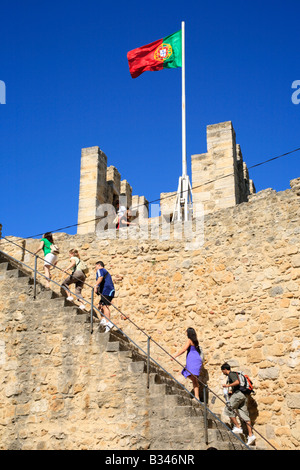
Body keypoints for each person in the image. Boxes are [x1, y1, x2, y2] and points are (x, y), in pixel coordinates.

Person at [221, 363, 256, 446]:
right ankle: (250, 435)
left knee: (228, 408)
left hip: (239, 394)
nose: (222, 372)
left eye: (222, 370)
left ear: (225, 369)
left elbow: (237, 382)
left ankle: (237, 427)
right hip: (244, 396)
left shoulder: (231, 374)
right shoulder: (235, 374)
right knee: (245, 415)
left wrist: (227, 385)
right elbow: (238, 385)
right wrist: (231, 392)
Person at [172, 327, 203, 401]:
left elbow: (183, 349)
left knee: (187, 374)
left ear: (188, 333)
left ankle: (197, 396)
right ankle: (197, 396)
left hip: (192, 358)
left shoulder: (189, 340)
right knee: (194, 379)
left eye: (186, 332)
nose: (185, 333)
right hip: (197, 358)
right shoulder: (196, 341)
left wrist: (174, 356)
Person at [94, 261, 115, 332]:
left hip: (107, 290)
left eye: (95, 266)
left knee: (105, 306)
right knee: (100, 305)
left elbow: (100, 277)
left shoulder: (100, 270)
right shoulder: (104, 271)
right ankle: (103, 319)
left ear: (99, 265)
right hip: (106, 291)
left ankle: (108, 322)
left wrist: (96, 286)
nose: (95, 268)